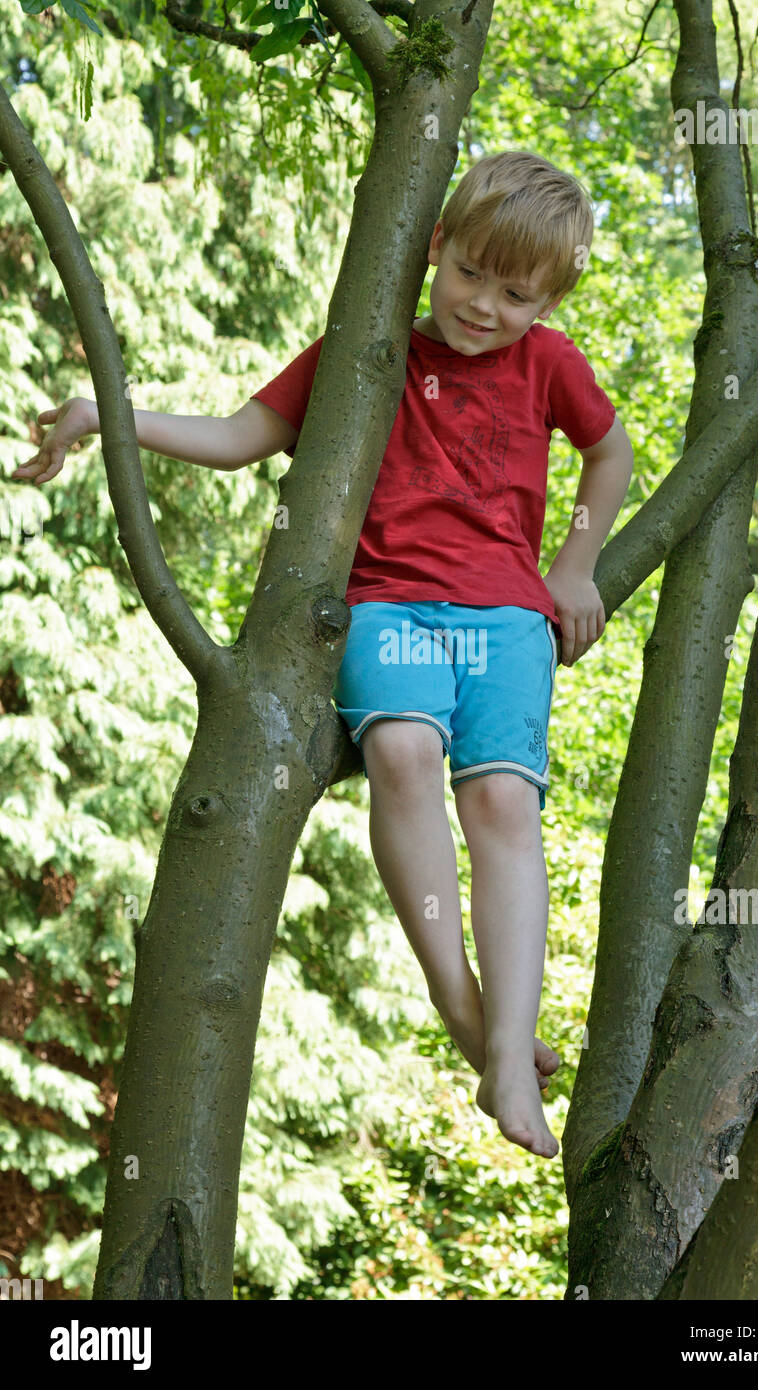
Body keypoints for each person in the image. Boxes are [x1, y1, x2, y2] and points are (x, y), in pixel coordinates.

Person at [11, 151, 633, 1159]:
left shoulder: (546, 363)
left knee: (504, 806)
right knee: (398, 754)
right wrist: (99, 415)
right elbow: (236, 434)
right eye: (470, 273)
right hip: (387, 606)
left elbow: (609, 453)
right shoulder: (365, 354)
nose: (484, 306)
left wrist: (575, 564)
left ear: (548, 299)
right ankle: (462, 1007)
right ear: (435, 246)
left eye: (516, 295)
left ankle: (509, 1053)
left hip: (507, 616)